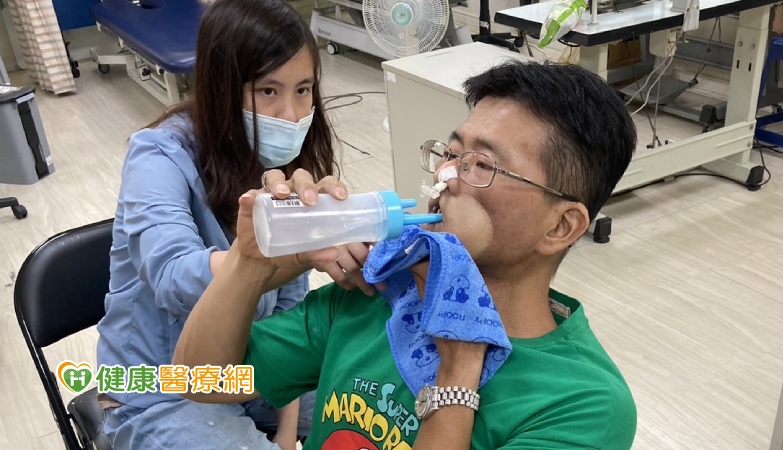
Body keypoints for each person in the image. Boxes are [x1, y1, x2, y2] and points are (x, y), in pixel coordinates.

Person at [173, 59, 639, 449]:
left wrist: (457, 374)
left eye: (482, 165)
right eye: (451, 154)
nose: (444, 176)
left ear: (561, 226)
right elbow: (198, 382)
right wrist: (249, 264)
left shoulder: (583, 405)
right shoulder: (376, 294)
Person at [94, 0, 373, 448]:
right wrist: (261, 257)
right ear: (222, 87)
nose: (291, 115)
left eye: (303, 89)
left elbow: (284, 320)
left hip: (245, 367)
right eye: (268, 91)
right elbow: (171, 276)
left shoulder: (281, 165)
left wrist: (286, 433)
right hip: (156, 388)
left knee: (372, 405)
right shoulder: (158, 155)